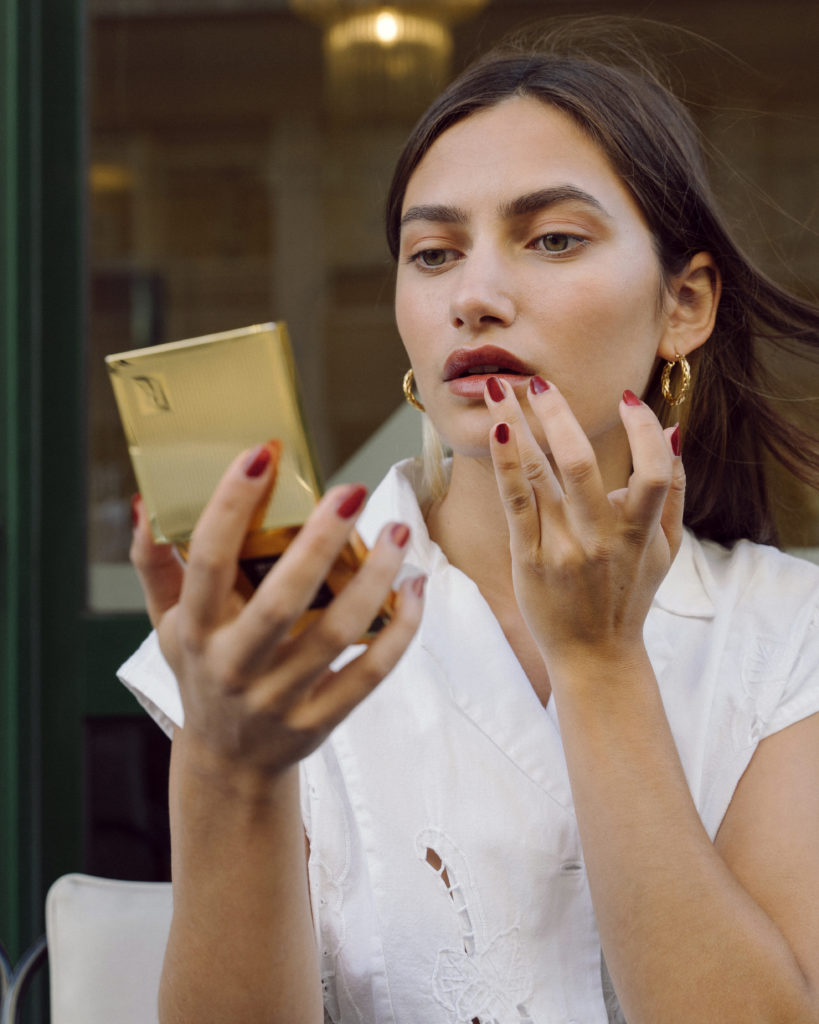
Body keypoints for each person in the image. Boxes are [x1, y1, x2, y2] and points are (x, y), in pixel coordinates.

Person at [119, 21, 819, 1024]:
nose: (475, 297)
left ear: (686, 305)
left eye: (553, 239)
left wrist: (601, 665)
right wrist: (231, 768)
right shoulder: (288, 630)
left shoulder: (789, 633)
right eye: (434, 253)